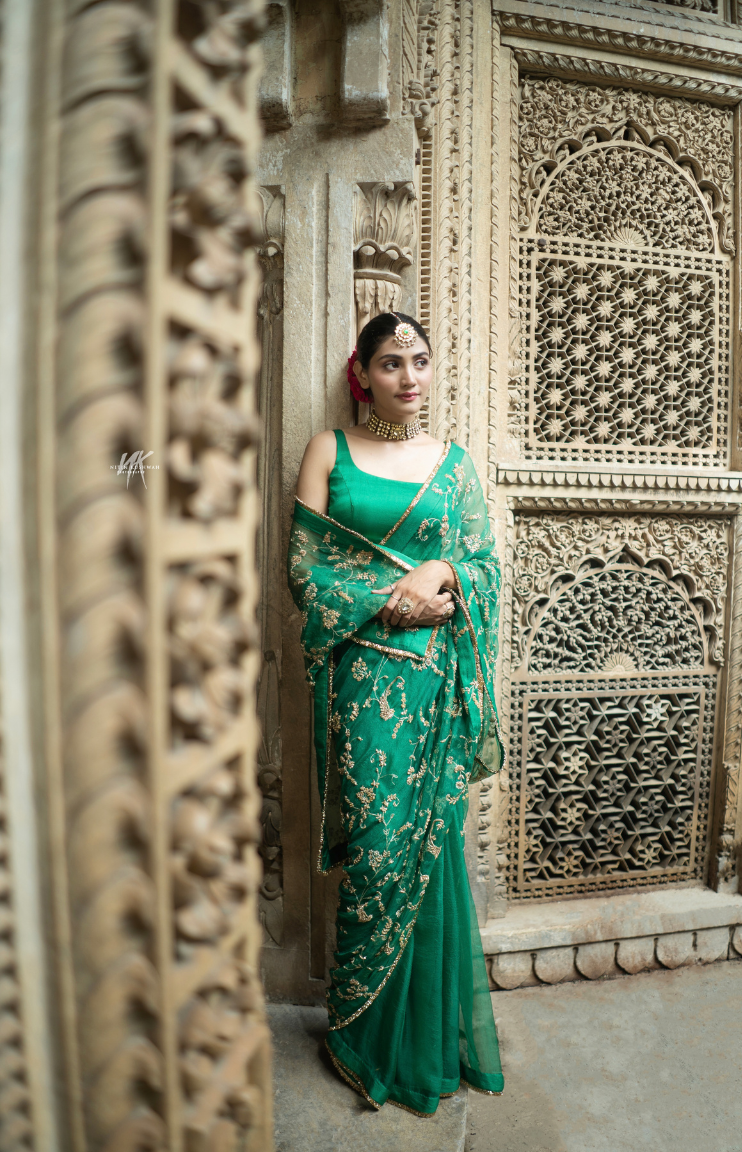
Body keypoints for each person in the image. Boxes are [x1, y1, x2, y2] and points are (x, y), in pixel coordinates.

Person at [287, 310, 505, 1116]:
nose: (408, 377)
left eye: (418, 360)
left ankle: (423, 1043)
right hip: (363, 685)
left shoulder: (454, 466)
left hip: (435, 686)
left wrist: (442, 570)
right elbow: (304, 571)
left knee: (432, 848)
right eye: (390, 362)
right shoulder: (330, 451)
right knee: (379, 852)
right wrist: (390, 599)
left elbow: (484, 566)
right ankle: (359, 1035)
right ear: (363, 374)